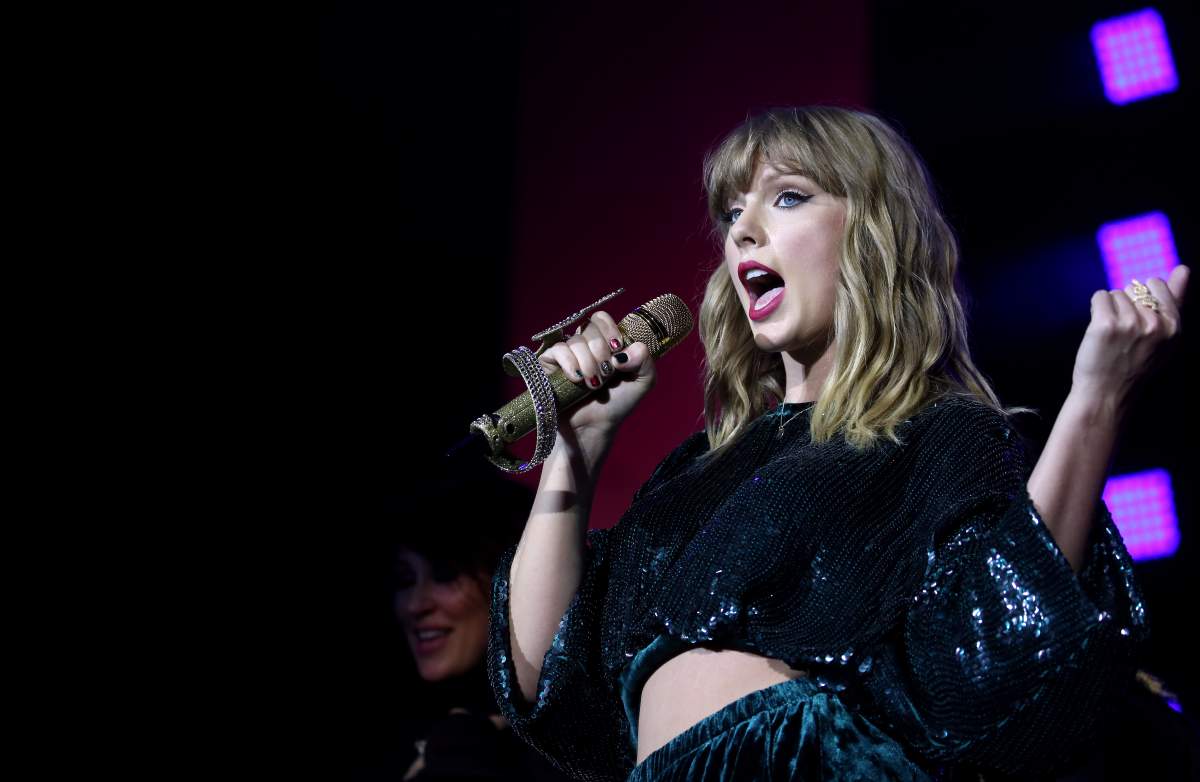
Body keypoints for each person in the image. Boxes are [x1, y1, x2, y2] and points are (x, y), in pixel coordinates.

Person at [483, 106, 1189, 781]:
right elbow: (545, 675)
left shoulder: (938, 434)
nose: (742, 233)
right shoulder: (697, 471)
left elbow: (1008, 644)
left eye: (787, 198)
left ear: (874, 233)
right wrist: (576, 451)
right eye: (732, 213)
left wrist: (1096, 401)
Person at [371, 473, 573, 781]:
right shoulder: (386, 735)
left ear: (510, 578)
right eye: (404, 579)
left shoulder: (573, 746)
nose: (415, 605)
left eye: (445, 574)